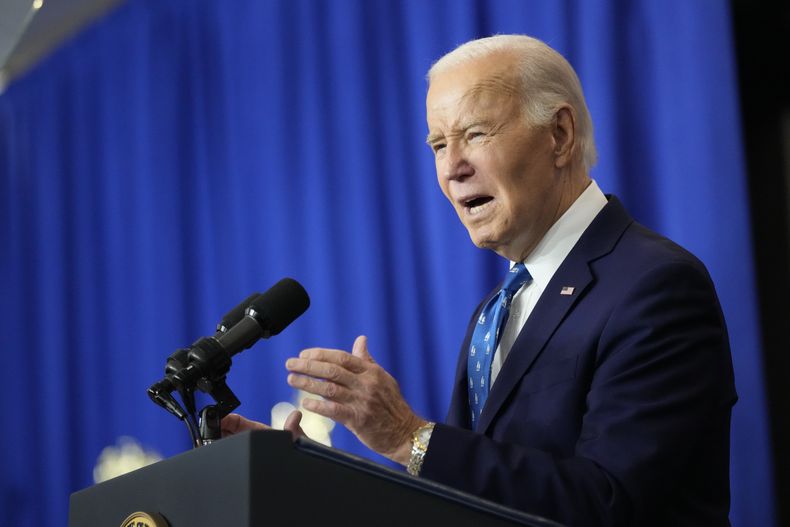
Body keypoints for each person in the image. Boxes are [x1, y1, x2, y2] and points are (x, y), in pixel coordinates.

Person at [222, 35, 736, 527]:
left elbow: (608, 503)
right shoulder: (496, 310)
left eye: (475, 134)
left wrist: (410, 437)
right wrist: (312, 476)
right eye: (438, 144)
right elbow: (463, 506)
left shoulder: (655, 285)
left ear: (559, 135)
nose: (452, 168)